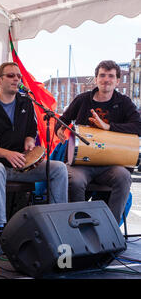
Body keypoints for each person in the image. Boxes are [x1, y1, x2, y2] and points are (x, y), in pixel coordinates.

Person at [0, 62, 68, 239]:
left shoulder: (26, 102)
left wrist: (29, 142)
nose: (16, 79)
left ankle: (57, 223)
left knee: (58, 168)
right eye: (11, 75)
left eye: (18, 76)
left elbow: (32, 131)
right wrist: (6, 153)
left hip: (19, 165)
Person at [56, 60, 141, 224]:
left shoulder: (124, 103)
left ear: (117, 80)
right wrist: (60, 128)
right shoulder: (82, 100)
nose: (106, 79)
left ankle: (110, 229)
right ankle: (78, 226)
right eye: (102, 75)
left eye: (111, 76)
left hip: (110, 164)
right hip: (81, 163)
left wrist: (108, 127)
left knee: (123, 177)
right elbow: (63, 120)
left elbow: (138, 126)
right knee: (75, 181)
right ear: (96, 79)